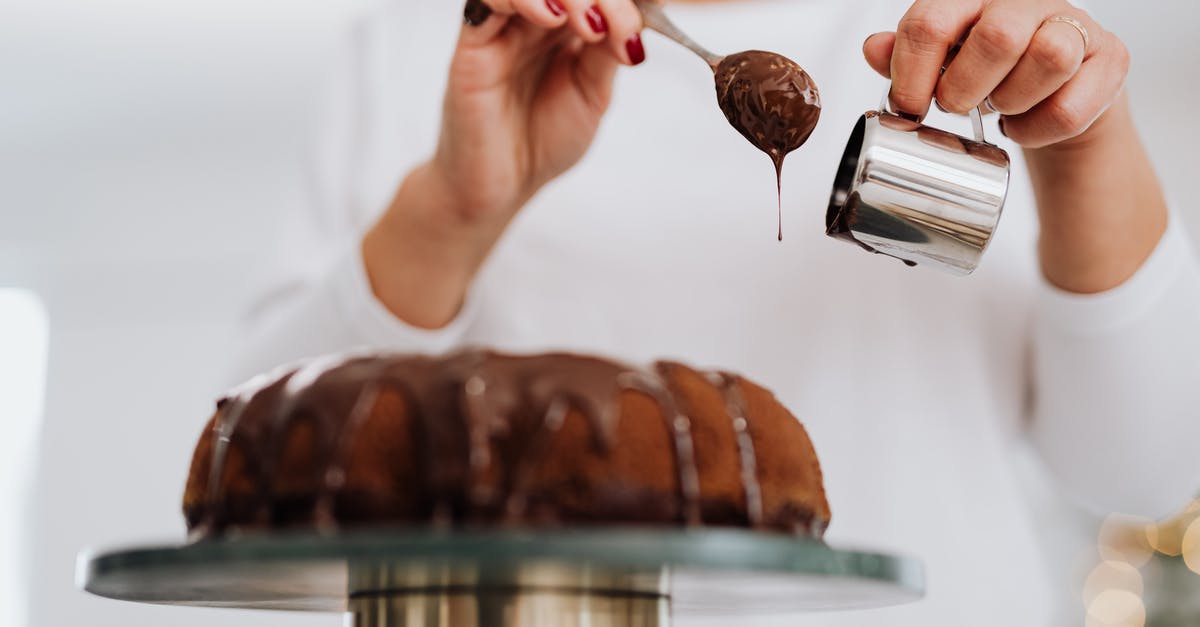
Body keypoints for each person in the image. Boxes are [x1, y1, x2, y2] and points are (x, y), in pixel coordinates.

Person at [234, 0, 1200, 623]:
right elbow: (259, 472)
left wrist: (1080, 145)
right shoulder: (431, 48)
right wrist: (455, 207)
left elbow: (1148, 469)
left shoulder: (984, 42)